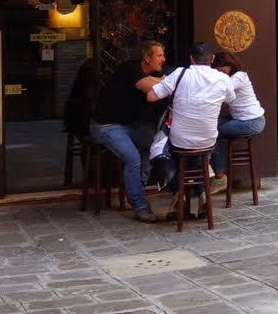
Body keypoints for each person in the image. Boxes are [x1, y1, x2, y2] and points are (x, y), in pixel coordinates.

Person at [144, 42, 235, 210]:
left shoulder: (180, 74)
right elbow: (231, 99)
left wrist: (161, 83)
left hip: (180, 141)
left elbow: (151, 96)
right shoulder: (223, 78)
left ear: (191, 59)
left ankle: (179, 194)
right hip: (208, 141)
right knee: (197, 153)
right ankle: (202, 194)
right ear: (212, 59)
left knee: (170, 150)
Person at [90, 41, 166, 223]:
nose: (163, 59)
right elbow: (151, 87)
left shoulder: (153, 74)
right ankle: (139, 205)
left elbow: (161, 84)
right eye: (159, 55)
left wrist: (163, 81)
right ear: (147, 57)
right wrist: (164, 82)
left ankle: (135, 189)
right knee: (133, 158)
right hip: (106, 126)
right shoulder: (129, 69)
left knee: (153, 146)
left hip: (128, 126)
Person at [209, 51, 266, 193]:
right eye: (215, 68)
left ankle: (219, 177)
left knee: (211, 133)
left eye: (220, 67)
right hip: (240, 119)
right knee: (208, 126)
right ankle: (212, 169)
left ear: (230, 65)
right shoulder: (230, 77)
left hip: (252, 122)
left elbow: (219, 89)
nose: (218, 71)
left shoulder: (238, 77)